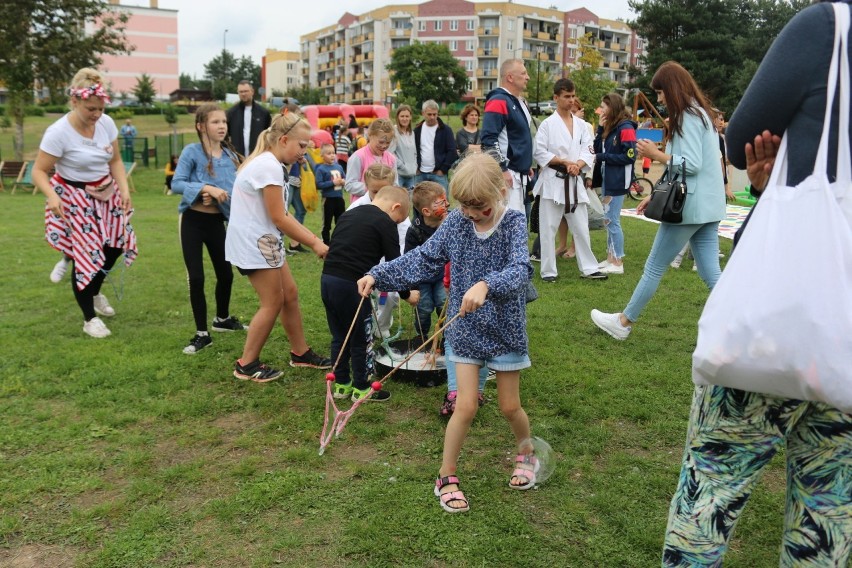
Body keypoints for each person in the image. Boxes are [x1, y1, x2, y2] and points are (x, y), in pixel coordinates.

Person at [662, 3, 852, 564]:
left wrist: (788, 164)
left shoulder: (829, 30)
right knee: (828, 513)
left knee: (711, 493)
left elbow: (747, 132)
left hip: (778, 319)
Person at [357, 153, 536, 513]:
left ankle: (527, 453)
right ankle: (446, 475)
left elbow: (521, 269)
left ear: (499, 192)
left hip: (505, 330)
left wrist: (487, 284)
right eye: (465, 206)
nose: (471, 213)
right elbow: (423, 259)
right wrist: (380, 276)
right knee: (465, 406)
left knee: (509, 405)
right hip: (465, 329)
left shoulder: (514, 223)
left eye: (479, 206)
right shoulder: (455, 223)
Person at [590, 62, 725, 341]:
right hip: (707, 208)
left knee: (653, 267)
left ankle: (624, 322)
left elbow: (692, 164)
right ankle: (744, 324)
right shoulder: (701, 114)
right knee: (713, 274)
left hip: (688, 209)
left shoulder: (688, 116)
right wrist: (655, 193)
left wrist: (657, 153)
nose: (659, 99)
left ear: (672, 89)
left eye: (661, 92)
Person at [225, 112, 332, 381]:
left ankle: (300, 353)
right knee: (272, 302)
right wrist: (315, 243)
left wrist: (313, 238)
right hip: (256, 244)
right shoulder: (268, 166)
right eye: (302, 145)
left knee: (290, 294)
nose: (304, 153)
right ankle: (246, 364)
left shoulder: (271, 164)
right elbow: (279, 217)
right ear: (284, 140)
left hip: (266, 241)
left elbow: (281, 214)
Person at [34, 68, 137, 338]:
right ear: (74, 102)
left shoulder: (106, 123)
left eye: (100, 108)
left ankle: (93, 292)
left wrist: (123, 189)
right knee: (87, 256)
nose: (96, 114)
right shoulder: (58, 132)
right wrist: (52, 195)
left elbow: (114, 160)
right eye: (91, 109)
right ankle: (89, 319)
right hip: (75, 198)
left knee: (115, 246)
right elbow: (38, 171)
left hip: (106, 193)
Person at [322, 185, 418, 403]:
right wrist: (406, 294)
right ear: (396, 206)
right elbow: (394, 266)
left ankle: (341, 383)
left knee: (340, 335)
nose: (396, 224)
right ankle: (362, 387)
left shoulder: (349, 214)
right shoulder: (385, 223)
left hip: (327, 281)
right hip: (353, 286)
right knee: (361, 338)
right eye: (399, 219)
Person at [404, 181, 489, 415]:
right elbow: (413, 259)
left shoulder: (456, 221)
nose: (447, 205)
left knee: (447, 310)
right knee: (424, 307)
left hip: (448, 279)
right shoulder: (416, 230)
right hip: (424, 278)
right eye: (440, 202)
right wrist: (406, 286)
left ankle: (443, 348)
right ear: (426, 211)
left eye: (446, 200)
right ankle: (425, 342)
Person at [172, 103, 246, 355]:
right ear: (201, 126)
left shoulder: (230, 156)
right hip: (192, 222)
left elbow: (236, 190)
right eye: (215, 122)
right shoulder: (191, 151)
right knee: (197, 277)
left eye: (223, 121)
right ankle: (202, 334)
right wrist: (205, 189)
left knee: (226, 274)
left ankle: (222, 319)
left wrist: (215, 196)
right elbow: (177, 183)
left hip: (217, 223)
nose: (222, 126)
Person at [531, 78, 604, 283]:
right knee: (549, 229)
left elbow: (589, 151)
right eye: (567, 96)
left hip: (574, 180)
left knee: (581, 227)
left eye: (573, 96)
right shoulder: (547, 125)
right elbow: (540, 152)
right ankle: (548, 271)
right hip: (553, 181)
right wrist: (564, 162)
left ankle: (589, 268)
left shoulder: (582, 125)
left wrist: (578, 165)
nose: (571, 100)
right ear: (556, 98)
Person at [350, 163, 409, 339]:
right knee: (361, 298)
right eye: (375, 191)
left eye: (384, 190)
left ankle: (381, 327)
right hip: (360, 265)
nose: (381, 196)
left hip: (387, 264)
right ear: (366, 186)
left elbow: (402, 245)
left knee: (389, 297)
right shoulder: (356, 208)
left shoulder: (399, 213)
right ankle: (362, 325)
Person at [481, 58, 534, 213]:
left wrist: (525, 163)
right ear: (510, 77)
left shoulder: (520, 102)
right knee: (507, 227)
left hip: (520, 175)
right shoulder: (498, 100)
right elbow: (488, 140)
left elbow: (517, 136)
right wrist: (502, 169)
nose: (527, 77)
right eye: (523, 73)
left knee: (520, 227)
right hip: (508, 176)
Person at [593, 92, 638, 276]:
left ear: (612, 107)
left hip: (618, 180)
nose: (601, 110)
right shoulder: (610, 127)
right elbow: (596, 149)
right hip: (607, 178)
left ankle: (618, 260)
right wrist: (599, 129)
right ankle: (610, 257)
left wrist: (603, 157)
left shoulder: (625, 127)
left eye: (603, 107)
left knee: (613, 220)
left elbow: (630, 156)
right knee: (608, 218)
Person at [345, 118, 397, 204]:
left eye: (388, 142)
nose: (384, 146)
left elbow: (395, 183)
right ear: (370, 135)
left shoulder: (391, 159)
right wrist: (373, 188)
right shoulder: (358, 157)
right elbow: (350, 185)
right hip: (362, 208)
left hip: (384, 207)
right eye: (381, 142)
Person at [414, 100, 456, 191]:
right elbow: (414, 150)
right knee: (419, 203)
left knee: (442, 202)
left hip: (438, 174)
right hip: (420, 174)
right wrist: (416, 167)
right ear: (423, 113)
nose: (432, 117)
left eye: (435, 114)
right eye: (429, 114)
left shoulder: (446, 130)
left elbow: (452, 151)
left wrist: (443, 169)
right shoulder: (417, 130)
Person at [226, 80, 272, 158]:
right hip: (237, 158)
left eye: (246, 91)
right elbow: (225, 136)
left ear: (252, 91)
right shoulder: (231, 113)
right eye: (241, 92)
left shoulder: (263, 113)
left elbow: (269, 135)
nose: (243, 94)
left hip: (258, 158)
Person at [314, 143, 346, 245]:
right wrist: (333, 183)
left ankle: (339, 242)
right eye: (329, 153)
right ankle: (326, 243)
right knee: (327, 223)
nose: (332, 155)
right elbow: (318, 185)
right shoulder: (321, 169)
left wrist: (343, 181)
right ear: (322, 156)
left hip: (339, 198)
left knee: (341, 221)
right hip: (328, 199)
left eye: (333, 153)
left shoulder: (339, 167)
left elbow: (345, 178)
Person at [390, 105, 417, 190]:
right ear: (397, 117)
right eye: (402, 116)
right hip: (399, 174)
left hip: (411, 175)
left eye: (407, 116)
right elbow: (391, 153)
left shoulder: (411, 133)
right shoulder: (394, 132)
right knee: (398, 200)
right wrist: (402, 166)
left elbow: (414, 152)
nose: (404, 119)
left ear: (410, 117)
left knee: (410, 200)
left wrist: (414, 166)